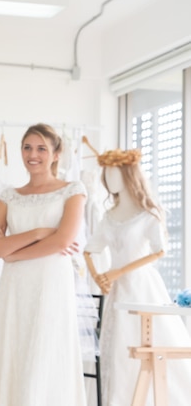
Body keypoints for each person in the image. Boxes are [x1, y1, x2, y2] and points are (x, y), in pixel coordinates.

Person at [0, 123, 88, 406]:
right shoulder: (9, 196)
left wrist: (13, 252)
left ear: (56, 154)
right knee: (14, 353)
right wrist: (39, 233)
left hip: (50, 283)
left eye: (42, 148)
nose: (33, 154)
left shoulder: (73, 191)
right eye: (27, 147)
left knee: (45, 355)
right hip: (15, 289)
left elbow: (62, 241)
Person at [83, 149, 191, 406]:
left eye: (114, 173)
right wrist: (98, 276)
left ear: (128, 174)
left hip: (142, 287)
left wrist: (117, 271)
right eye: (105, 174)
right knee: (118, 350)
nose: (108, 179)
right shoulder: (109, 216)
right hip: (117, 291)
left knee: (150, 344)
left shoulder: (148, 214)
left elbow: (159, 251)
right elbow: (89, 250)